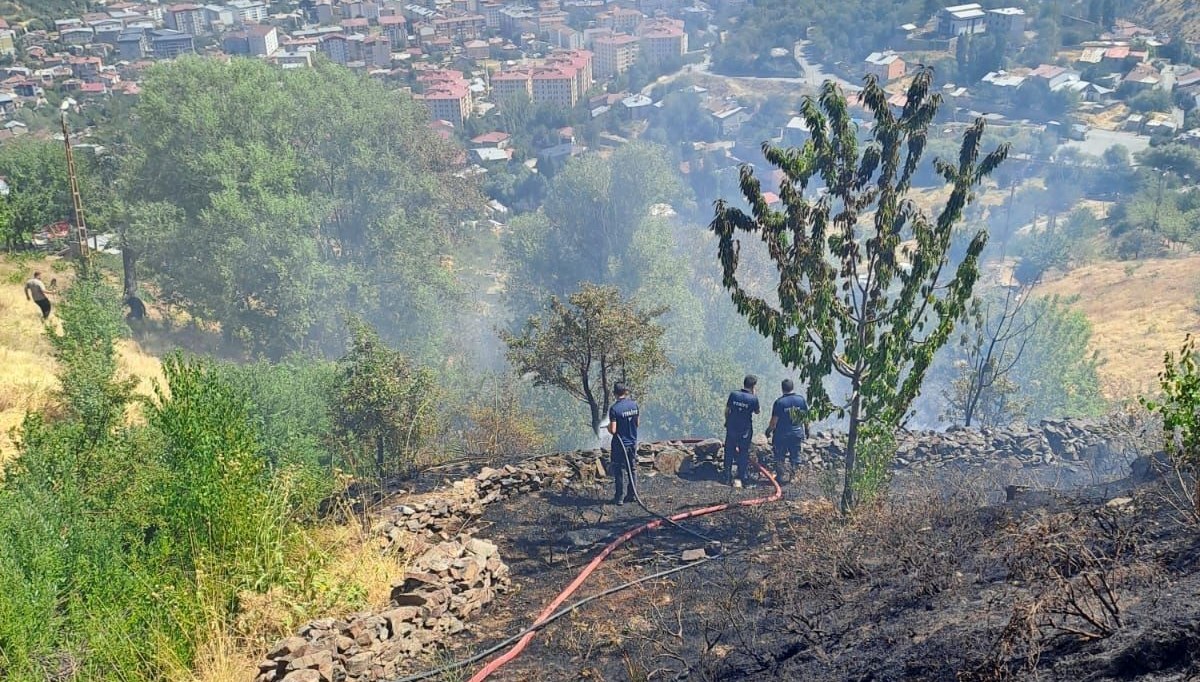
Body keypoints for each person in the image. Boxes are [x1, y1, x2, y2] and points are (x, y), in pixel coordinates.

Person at [766, 379, 809, 477]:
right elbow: (806, 418)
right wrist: (807, 430)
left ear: (782, 388)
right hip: (797, 433)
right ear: (793, 387)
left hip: (781, 435)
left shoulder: (779, 403)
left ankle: (780, 477)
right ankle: (794, 477)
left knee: (779, 457)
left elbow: (773, 422)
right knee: (795, 456)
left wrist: (768, 431)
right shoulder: (801, 400)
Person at [723, 374, 760, 488]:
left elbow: (727, 410)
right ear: (753, 386)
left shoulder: (734, 394)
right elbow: (757, 411)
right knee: (743, 453)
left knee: (729, 451)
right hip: (745, 430)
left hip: (732, 427)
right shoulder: (753, 399)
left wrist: (727, 422)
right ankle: (743, 477)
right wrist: (754, 395)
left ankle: (727, 476)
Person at [607, 382, 640, 505]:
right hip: (632, 442)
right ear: (625, 392)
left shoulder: (614, 409)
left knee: (619, 469)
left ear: (614, 393)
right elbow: (637, 423)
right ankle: (632, 495)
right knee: (632, 468)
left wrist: (608, 427)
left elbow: (613, 430)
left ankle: (619, 497)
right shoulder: (634, 405)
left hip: (619, 445)